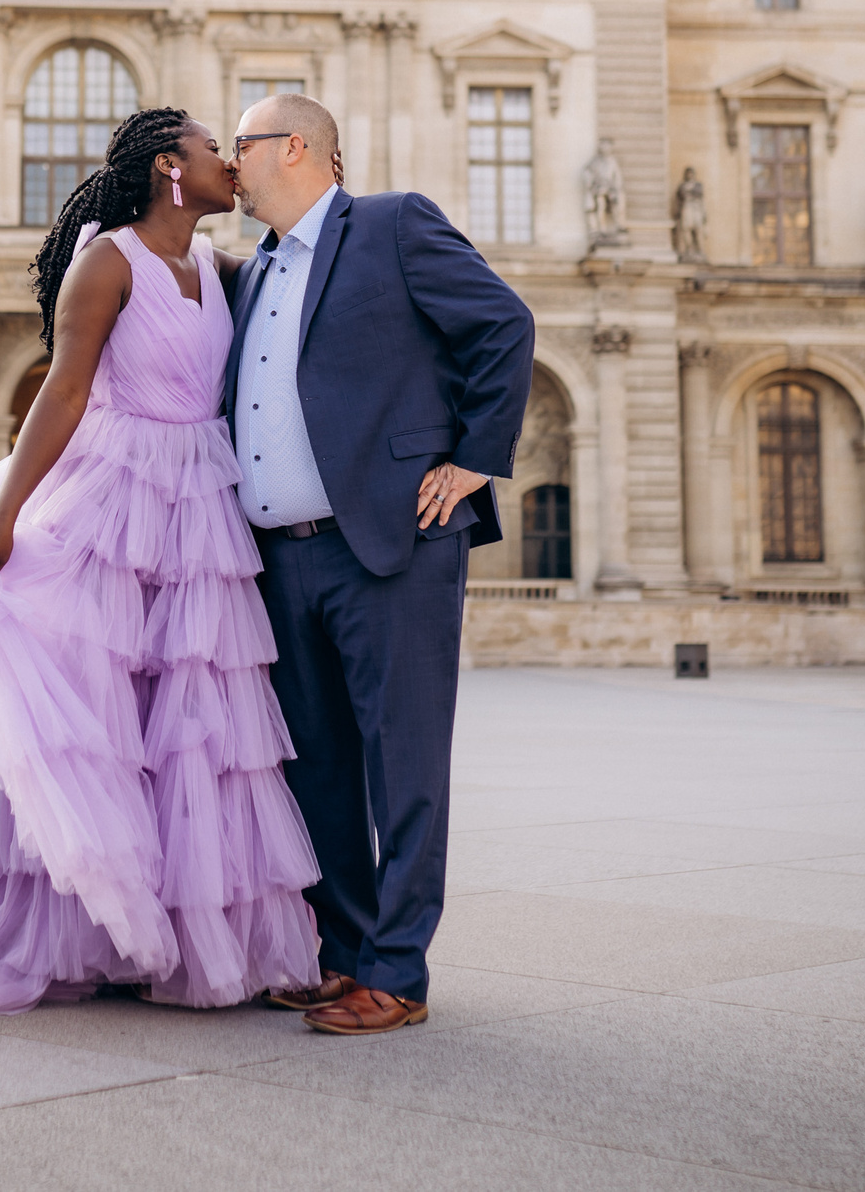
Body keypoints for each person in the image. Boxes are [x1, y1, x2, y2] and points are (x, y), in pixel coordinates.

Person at [0, 109, 319, 1014]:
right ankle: (63, 918)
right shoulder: (107, 259)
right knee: (82, 710)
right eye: (213, 150)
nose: (231, 166)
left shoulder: (218, 267)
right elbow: (66, 389)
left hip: (197, 499)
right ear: (169, 166)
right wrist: (2, 513)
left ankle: (154, 918)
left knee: (183, 721)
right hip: (111, 494)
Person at [225, 92, 534, 1035]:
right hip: (282, 561)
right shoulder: (252, 272)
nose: (228, 164)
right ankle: (346, 955)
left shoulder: (394, 226)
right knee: (316, 768)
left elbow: (503, 324)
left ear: (294, 147)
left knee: (402, 765)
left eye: (238, 145)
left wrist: (476, 455)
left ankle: (398, 974)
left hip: (390, 547)